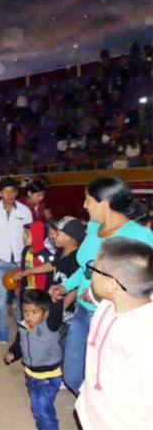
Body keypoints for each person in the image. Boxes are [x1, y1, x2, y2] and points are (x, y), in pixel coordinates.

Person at [49, 177, 153, 395]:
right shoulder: (94, 227)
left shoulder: (141, 237)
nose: (84, 206)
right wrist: (67, 286)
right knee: (72, 375)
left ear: (104, 204)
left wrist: (100, 297)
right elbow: (87, 266)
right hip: (82, 312)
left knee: (109, 380)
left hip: (116, 320)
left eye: (88, 200)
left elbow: (145, 284)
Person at [75, 238, 153, 429]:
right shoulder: (109, 305)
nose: (91, 272)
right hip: (93, 416)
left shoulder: (146, 337)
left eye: (94, 269)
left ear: (111, 285)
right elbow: (98, 294)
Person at [0, 176, 32, 343]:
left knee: (20, 298)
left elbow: (30, 235)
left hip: (19, 262)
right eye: (5, 192)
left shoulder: (24, 211)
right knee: (0, 299)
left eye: (12, 192)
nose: (9, 195)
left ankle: (21, 329)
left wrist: (29, 259)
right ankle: (2, 330)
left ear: (16, 193)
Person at [4, 289, 64, 430]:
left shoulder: (50, 326)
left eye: (34, 312)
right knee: (36, 407)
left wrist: (57, 301)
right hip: (31, 374)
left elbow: (56, 316)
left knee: (44, 408)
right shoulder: (23, 327)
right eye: (25, 312)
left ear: (46, 313)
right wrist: (12, 353)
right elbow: (19, 344)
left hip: (49, 376)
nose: (28, 316)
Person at [15, 217, 85, 325]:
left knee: (60, 337)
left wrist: (58, 310)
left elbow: (74, 290)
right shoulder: (60, 251)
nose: (53, 236)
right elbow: (52, 265)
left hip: (67, 309)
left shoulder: (77, 259)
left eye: (58, 233)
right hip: (55, 302)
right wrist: (28, 272)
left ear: (70, 238)